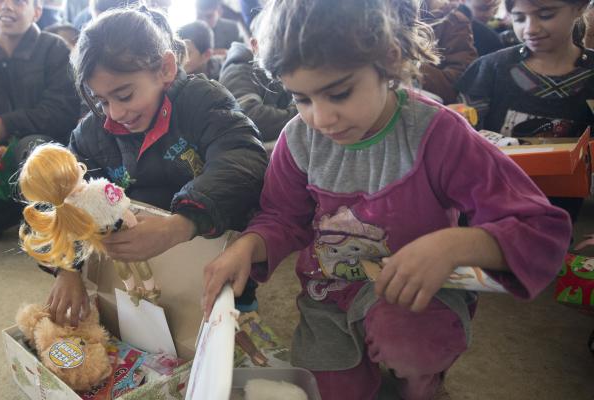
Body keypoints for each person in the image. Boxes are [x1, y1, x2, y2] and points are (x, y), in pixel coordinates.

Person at [200, 1, 571, 399]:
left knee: (410, 348)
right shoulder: (298, 139)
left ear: (389, 59)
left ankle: (424, 382)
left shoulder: (438, 133)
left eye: (339, 93)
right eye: (301, 99)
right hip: (329, 296)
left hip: (417, 295)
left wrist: (453, 244)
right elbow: (281, 216)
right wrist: (249, 245)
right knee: (324, 389)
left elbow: (540, 228)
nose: (322, 119)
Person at [41, 7, 267, 326]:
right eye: (102, 101)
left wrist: (181, 224)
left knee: (221, 325)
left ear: (165, 68)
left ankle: (238, 306)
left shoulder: (203, 100)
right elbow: (64, 198)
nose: (115, 113)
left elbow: (243, 160)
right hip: (136, 260)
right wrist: (67, 267)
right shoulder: (92, 133)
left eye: (124, 95)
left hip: (206, 237)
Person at [0, 0, 80, 242]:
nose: (7, 7)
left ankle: (50, 224)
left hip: (48, 152)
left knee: (33, 148)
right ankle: (25, 212)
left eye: (19, 2)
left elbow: (64, 112)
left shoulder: (55, 50)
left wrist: (5, 124)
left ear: (37, 12)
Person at [456, 0, 593, 220]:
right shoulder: (489, 69)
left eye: (546, 15)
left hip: (557, 216)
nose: (530, 29)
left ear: (579, 7)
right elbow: (462, 140)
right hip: (485, 209)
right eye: (519, 18)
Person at [219, 18, 297, 143]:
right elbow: (252, 119)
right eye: (273, 44)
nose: (282, 52)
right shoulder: (237, 70)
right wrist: (301, 110)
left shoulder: (286, 64)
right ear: (255, 45)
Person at [419, 0, 478, 103]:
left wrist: (413, 68)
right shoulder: (389, 17)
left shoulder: (454, 22)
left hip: (432, 107)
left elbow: (460, 84)